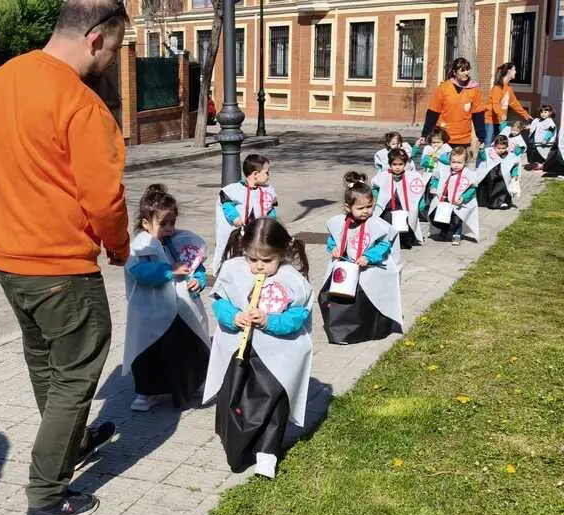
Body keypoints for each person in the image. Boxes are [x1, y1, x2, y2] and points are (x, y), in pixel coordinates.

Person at [0, 0, 130, 515]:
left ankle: (72, 439)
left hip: (8, 258)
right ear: (94, 38)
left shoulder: (0, 81)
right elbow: (104, 197)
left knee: (45, 361)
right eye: (114, 48)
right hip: (60, 266)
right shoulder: (82, 105)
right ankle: (47, 495)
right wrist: (119, 245)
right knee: (76, 372)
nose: (112, 60)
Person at [203, 218, 313, 479]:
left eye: (267, 260)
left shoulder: (292, 280)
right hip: (239, 353)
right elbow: (220, 302)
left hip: (276, 358)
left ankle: (268, 453)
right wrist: (233, 317)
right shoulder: (233, 270)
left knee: (273, 404)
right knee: (236, 397)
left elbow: (298, 318)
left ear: (281, 253)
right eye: (253, 260)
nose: (259, 267)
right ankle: (238, 442)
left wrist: (269, 321)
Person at [123, 184, 211, 412]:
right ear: (145, 222)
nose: (170, 229)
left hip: (182, 310)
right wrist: (168, 272)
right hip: (150, 311)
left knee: (186, 349)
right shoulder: (140, 247)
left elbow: (196, 266)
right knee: (148, 352)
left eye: (172, 222)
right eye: (163, 224)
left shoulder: (182, 241)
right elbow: (139, 272)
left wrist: (198, 281)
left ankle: (192, 384)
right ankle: (146, 391)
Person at [319, 180, 403, 345]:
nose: (366, 211)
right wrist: (333, 248)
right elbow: (333, 239)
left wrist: (369, 256)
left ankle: (369, 329)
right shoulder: (339, 223)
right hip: (346, 269)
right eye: (361, 208)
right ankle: (342, 331)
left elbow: (384, 245)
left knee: (367, 300)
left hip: (369, 268)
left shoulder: (377, 225)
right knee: (340, 300)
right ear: (347, 207)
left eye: (369, 207)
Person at [212, 154, 277, 274]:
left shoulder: (267, 191)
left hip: (256, 235)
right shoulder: (233, 190)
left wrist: (272, 223)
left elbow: (270, 209)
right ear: (255, 174)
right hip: (237, 235)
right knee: (234, 256)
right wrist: (235, 217)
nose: (269, 175)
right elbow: (226, 204)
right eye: (266, 172)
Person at [419, 57, 486, 149]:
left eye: (467, 70)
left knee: (458, 163)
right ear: (454, 72)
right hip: (442, 137)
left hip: (463, 138)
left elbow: (478, 115)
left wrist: (482, 137)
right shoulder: (443, 88)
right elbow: (433, 113)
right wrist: (425, 133)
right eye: (462, 70)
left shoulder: (474, 90)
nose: (466, 73)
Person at [371, 148, 425, 250]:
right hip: (389, 206)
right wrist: (375, 196)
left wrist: (421, 202)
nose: (397, 167)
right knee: (387, 222)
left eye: (400, 164)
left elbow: (418, 190)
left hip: (404, 206)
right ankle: (388, 241)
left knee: (406, 222)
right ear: (390, 164)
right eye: (394, 164)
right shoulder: (384, 176)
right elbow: (376, 186)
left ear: (405, 164)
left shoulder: (412, 176)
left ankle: (405, 240)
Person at [428, 146, 479, 245]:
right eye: (453, 162)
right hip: (445, 199)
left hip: (458, 201)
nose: (456, 165)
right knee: (440, 216)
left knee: (457, 218)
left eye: (459, 163)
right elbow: (435, 178)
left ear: (465, 162)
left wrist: (464, 197)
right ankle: (444, 230)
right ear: (449, 161)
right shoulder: (444, 170)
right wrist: (434, 186)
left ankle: (457, 234)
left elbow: (472, 189)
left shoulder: (469, 174)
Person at [485, 62, 531, 146]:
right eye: (514, 70)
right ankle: (483, 159)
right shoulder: (497, 87)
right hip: (491, 121)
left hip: (500, 121)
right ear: (509, 71)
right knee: (488, 145)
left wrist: (525, 114)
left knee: (500, 145)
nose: (515, 72)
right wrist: (501, 115)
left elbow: (514, 103)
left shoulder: (508, 88)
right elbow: (495, 105)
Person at [476, 135, 521, 210]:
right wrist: (481, 149)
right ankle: (490, 202)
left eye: (503, 148)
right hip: (492, 175)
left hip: (504, 177)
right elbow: (483, 157)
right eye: (498, 148)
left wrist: (515, 175)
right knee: (490, 188)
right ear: (494, 146)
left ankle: (503, 202)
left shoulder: (510, 155)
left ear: (507, 147)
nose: (501, 150)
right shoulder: (489, 152)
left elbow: (514, 165)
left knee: (503, 188)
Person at [526, 105, 557, 170]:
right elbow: (534, 127)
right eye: (541, 112)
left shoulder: (550, 122)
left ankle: (540, 165)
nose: (543, 114)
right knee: (531, 152)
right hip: (533, 140)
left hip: (541, 141)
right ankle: (533, 164)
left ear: (550, 113)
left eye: (545, 112)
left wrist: (545, 139)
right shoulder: (538, 120)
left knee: (539, 154)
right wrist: (529, 127)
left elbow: (550, 131)